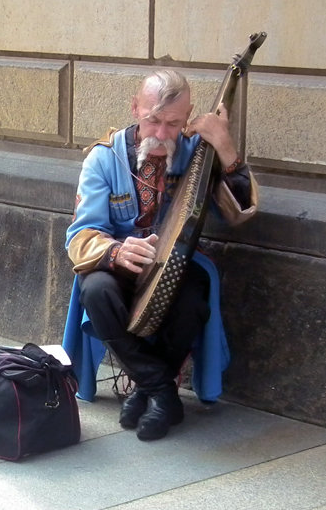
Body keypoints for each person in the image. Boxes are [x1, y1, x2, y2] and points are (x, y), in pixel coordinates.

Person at [65, 69, 257, 441]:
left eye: (173, 124)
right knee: (96, 291)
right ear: (135, 108)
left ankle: (146, 390)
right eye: (153, 120)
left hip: (177, 266)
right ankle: (161, 389)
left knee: (194, 291)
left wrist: (226, 149)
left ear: (187, 118)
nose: (162, 134)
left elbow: (238, 213)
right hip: (119, 265)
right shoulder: (103, 159)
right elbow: (80, 236)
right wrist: (116, 251)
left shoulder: (195, 155)